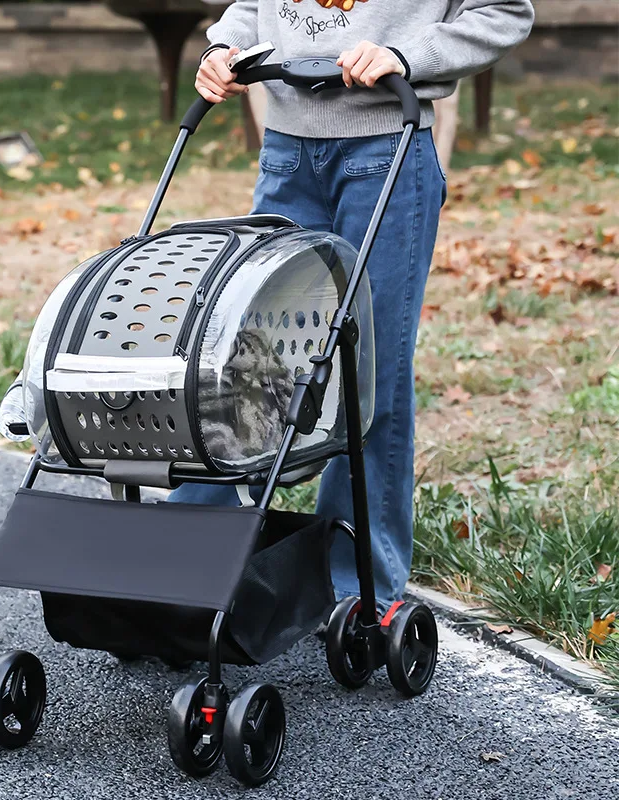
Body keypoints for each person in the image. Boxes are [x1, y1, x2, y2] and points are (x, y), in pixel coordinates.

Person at [167, 0, 534, 611]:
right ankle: (190, 556)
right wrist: (221, 49)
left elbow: (503, 12)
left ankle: (354, 583)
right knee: (249, 357)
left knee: (368, 367)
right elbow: (251, 8)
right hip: (287, 151)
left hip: (385, 148)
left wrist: (406, 56)